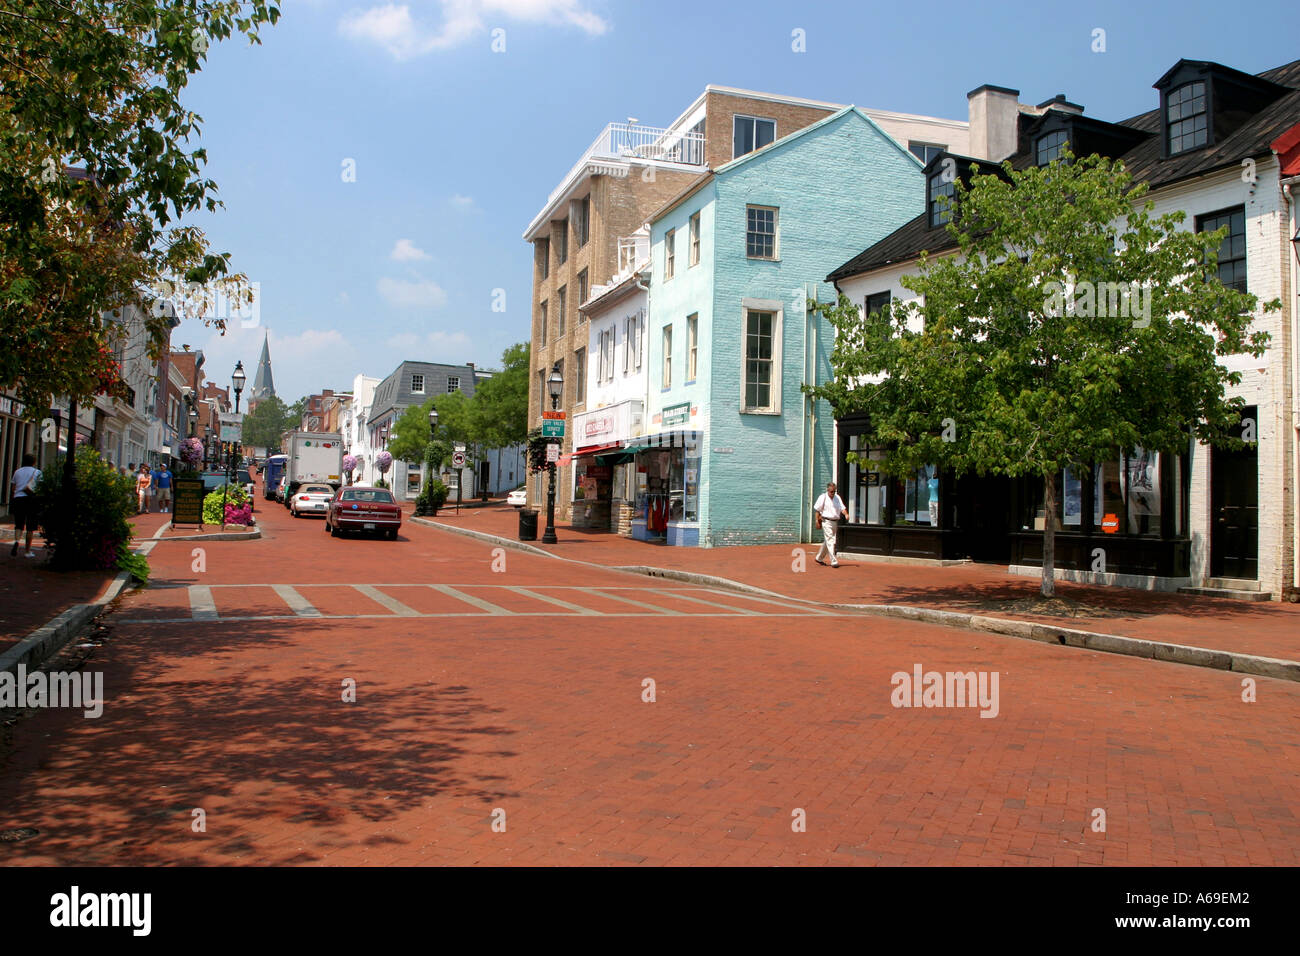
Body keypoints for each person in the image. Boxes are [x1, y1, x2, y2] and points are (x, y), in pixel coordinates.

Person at [8, 453, 42, 557]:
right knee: (30, 526)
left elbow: (13, 488)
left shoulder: (17, 472)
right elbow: (40, 487)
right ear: (34, 462)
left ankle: (17, 541)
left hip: (18, 499)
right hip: (31, 500)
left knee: (19, 524)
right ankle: (27, 551)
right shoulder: (38, 472)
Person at [812, 481, 847, 568]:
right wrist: (817, 521)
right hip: (826, 521)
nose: (833, 493)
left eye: (834, 491)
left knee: (828, 541)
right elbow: (817, 510)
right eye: (831, 491)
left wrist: (846, 514)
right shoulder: (823, 497)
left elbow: (842, 508)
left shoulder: (837, 498)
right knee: (831, 540)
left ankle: (819, 558)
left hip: (835, 522)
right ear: (827, 490)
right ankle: (834, 561)